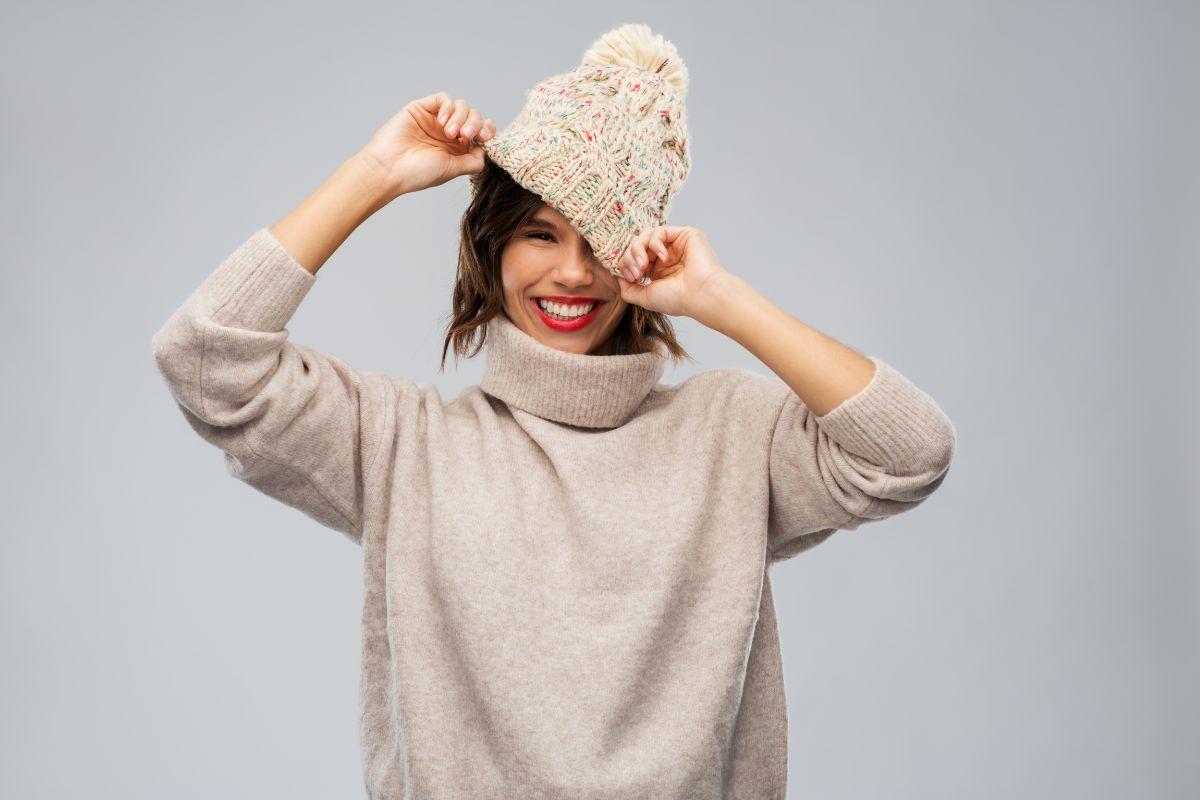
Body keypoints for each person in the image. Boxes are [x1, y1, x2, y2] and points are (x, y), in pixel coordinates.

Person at [151, 23, 956, 800]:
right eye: (539, 234)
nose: (572, 273)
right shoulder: (403, 445)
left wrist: (722, 298)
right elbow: (204, 358)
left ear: (642, 253)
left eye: (603, 237)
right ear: (492, 247)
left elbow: (911, 452)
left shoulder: (730, 436)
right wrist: (377, 172)